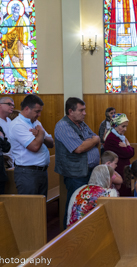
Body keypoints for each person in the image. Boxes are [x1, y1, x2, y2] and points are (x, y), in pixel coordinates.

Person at [54, 97, 100, 229]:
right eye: (81, 110)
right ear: (70, 111)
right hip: (75, 173)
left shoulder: (82, 124)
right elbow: (79, 148)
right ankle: (68, 233)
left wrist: (91, 141)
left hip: (87, 171)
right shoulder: (63, 126)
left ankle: (82, 231)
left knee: (84, 205)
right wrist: (93, 140)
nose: (84, 113)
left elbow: (95, 138)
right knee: (74, 205)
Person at [9, 95, 54, 197]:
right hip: (27, 173)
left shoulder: (36, 122)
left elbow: (51, 143)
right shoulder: (18, 125)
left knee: (40, 208)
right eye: (37, 111)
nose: (39, 114)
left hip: (40, 172)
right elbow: (34, 147)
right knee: (30, 209)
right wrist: (41, 134)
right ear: (26, 109)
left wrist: (40, 135)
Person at [103, 113, 134, 196]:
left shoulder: (119, 136)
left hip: (123, 171)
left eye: (126, 126)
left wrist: (127, 147)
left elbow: (128, 152)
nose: (125, 129)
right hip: (118, 171)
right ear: (115, 125)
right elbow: (129, 153)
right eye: (123, 126)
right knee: (122, 196)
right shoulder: (112, 139)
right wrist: (128, 145)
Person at [0, 97, 15, 167]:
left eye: (13, 105)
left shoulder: (9, 120)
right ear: (0, 105)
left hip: (12, 156)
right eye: (9, 104)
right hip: (2, 159)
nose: (12, 107)